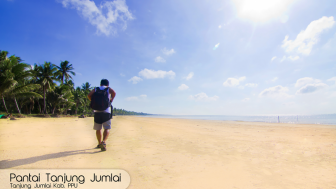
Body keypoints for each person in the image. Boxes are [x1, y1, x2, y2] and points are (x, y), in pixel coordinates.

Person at [88, 79, 116, 151]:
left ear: (100, 84)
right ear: (108, 84)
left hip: (97, 111)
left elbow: (89, 95)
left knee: (98, 129)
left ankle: (99, 143)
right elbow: (114, 93)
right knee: (106, 128)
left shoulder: (96, 89)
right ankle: (103, 142)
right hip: (106, 111)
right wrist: (111, 99)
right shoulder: (108, 89)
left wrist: (93, 101)